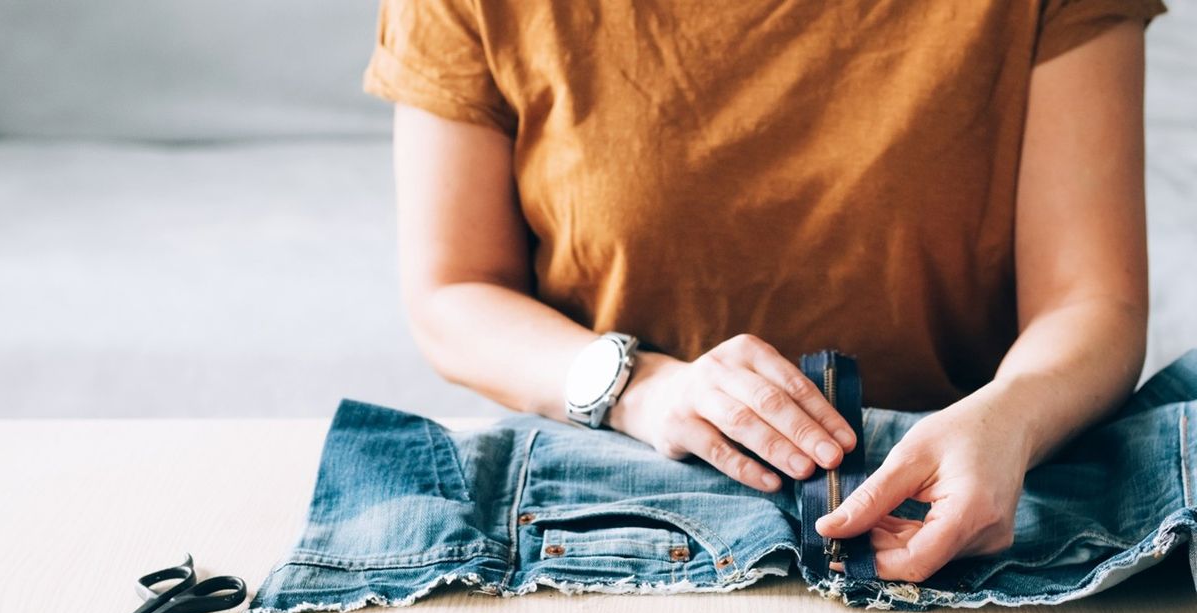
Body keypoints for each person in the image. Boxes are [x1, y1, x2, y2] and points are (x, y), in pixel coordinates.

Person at [362, 0, 1166, 583]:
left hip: (969, 509)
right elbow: (453, 290)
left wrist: (1013, 419)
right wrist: (641, 387)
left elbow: (1094, 300)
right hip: (608, 502)